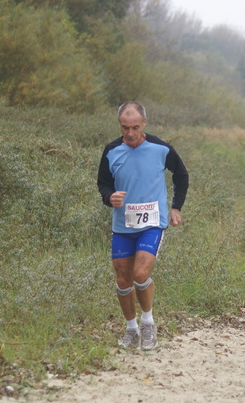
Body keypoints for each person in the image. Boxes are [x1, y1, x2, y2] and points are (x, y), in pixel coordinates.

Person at [97, 101, 189, 351]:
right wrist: (109, 197)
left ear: (144, 123)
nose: (130, 133)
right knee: (123, 278)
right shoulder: (111, 151)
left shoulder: (161, 148)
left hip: (152, 222)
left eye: (135, 127)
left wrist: (176, 207)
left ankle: (148, 324)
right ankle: (131, 329)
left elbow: (181, 175)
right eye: (125, 127)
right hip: (123, 225)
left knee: (140, 274)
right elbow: (103, 183)